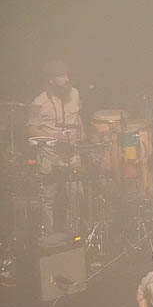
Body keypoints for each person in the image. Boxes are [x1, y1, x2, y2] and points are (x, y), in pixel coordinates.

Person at [27, 59, 86, 236]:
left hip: (72, 153)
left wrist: (82, 133)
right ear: (50, 80)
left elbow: (78, 117)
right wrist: (54, 137)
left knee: (76, 194)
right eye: (61, 76)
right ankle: (49, 235)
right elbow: (31, 129)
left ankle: (74, 233)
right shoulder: (38, 102)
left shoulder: (75, 93)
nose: (67, 79)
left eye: (67, 74)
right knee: (48, 197)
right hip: (50, 155)